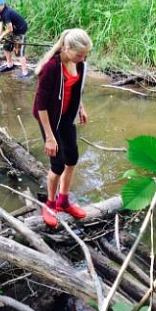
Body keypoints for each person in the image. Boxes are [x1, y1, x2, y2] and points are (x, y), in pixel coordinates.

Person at [32, 28, 93, 228]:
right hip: (49, 118)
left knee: (72, 158)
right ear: (66, 48)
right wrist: (50, 137)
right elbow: (40, 105)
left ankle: (64, 200)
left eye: (85, 55)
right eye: (79, 54)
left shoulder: (80, 64)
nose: (83, 58)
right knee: (57, 164)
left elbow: (77, 90)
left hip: (66, 117)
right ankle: (50, 205)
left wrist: (81, 108)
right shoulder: (51, 68)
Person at [0, 0, 29, 78]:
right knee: (6, 47)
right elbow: (1, 24)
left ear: (2, 5)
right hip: (12, 30)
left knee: (18, 52)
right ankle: (10, 65)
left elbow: (10, 29)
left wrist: (1, 36)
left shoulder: (7, 13)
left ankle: (25, 72)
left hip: (20, 31)